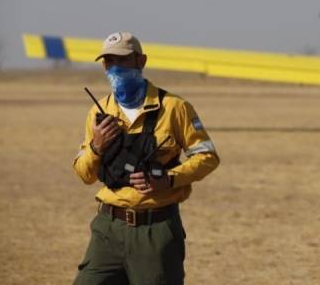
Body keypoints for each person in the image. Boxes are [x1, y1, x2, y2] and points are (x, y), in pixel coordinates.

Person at [72, 31, 220, 285]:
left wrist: (168, 179)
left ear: (141, 61)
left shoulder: (175, 107)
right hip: (107, 228)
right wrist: (96, 146)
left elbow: (207, 156)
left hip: (156, 230)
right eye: (109, 62)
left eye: (122, 60)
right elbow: (85, 175)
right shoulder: (98, 111)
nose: (115, 68)